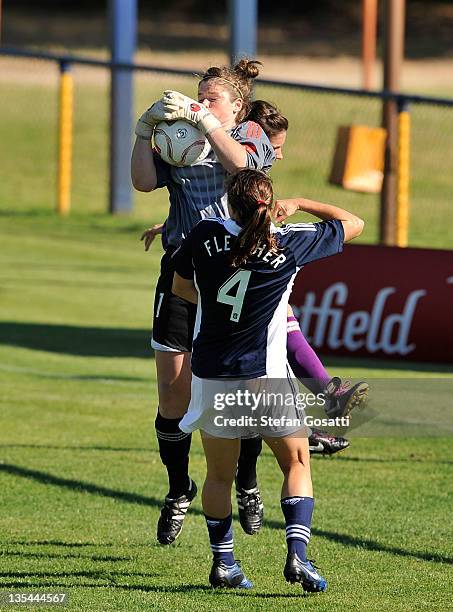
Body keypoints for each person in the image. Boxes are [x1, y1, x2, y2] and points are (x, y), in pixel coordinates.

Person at [171, 168, 364, 590]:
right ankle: (297, 556)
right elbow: (354, 223)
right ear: (268, 204)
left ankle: (224, 564)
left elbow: (181, 288)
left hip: (212, 374)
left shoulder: (204, 235)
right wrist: (299, 202)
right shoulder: (288, 244)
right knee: (295, 462)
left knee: (219, 476)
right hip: (265, 377)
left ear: (229, 204)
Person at [132, 59, 278, 546]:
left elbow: (244, 169)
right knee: (173, 395)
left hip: (235, 277)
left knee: (242, 395)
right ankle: (178, 489)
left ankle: (248, 482)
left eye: (212, 98)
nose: (199, 104)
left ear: (236, 108)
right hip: (181, 270)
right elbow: (143, 183)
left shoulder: (250, 135)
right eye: (199, 96)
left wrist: (207, 118)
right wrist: (144, 132)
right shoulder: (182, 139)